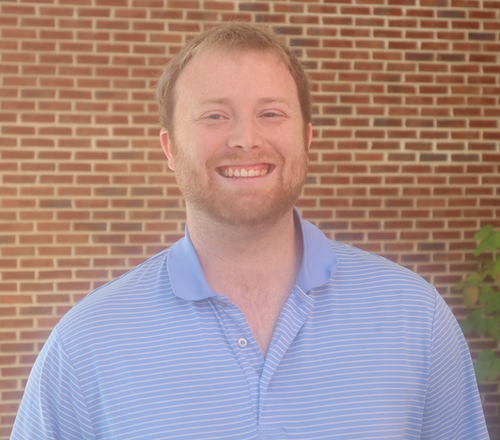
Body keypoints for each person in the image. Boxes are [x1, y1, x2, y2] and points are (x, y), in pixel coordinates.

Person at [12, 23, 489, 440]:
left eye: (271, 113)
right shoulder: (86, 344)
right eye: (215, 115)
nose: (245, 139)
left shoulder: (416, 318)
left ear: (306, 137)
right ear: (170, 148)